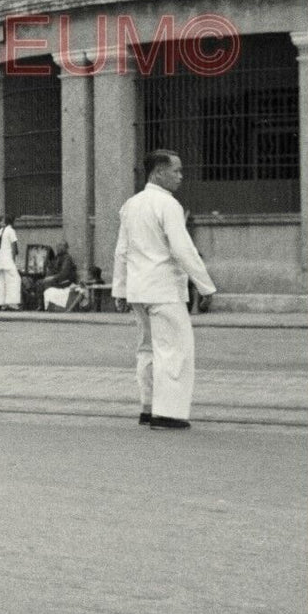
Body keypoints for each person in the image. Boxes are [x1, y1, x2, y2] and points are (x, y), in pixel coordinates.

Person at [114, 149, 217, 431]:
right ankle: (168, 413)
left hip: (139, 290)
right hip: (164, 289)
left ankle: (147, 407)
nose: (181, 176)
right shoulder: (168, 205)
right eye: (177, 171)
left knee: (147, 349)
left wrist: (120, 289)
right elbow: (183, 249)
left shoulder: (130, 205)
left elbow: (121, 251)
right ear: (158, 172)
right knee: (174, 350)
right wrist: (205, 285)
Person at [39, 239, 80, 311]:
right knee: (39, 282)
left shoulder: (67, 258)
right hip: (58, 279)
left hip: (66, 281)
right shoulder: (57, 257)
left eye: (60, 246)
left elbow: (64, 273)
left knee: (44, 283)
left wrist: (52, 278)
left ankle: (43, 306)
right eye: (57, 246)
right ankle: (42, 305)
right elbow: (53, 268)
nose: (58, 248)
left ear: (65, 248)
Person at [0, 213, 22, 311]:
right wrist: (13, 260)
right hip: (8, 259)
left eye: (2, 220)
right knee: (15, 280)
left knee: (3, 281)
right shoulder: (11, 231)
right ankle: (12, 303)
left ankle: (3, 303)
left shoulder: (1, 231)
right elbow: (13, 246)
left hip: (0, 259)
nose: (1, 222)